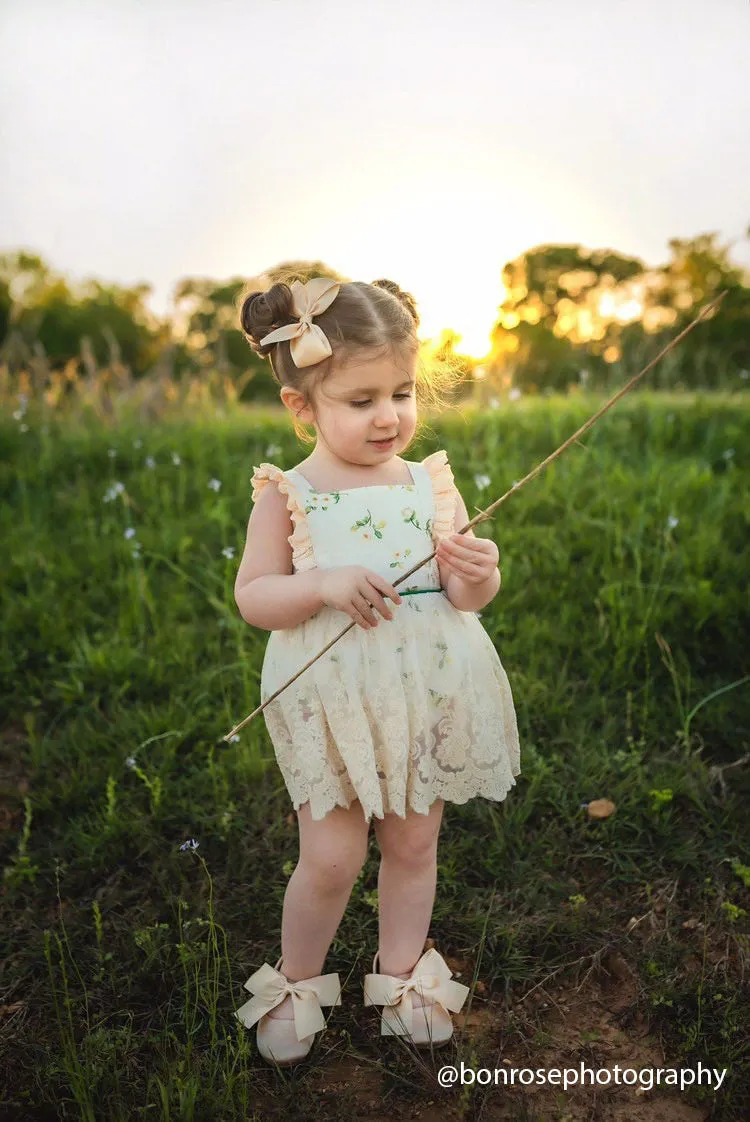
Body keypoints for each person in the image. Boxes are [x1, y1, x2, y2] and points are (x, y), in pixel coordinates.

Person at [231, 273, 521, 1066]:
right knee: (332, 856)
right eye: (362, 401)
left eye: (402, 392)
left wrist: (479, 568)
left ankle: (401, 978)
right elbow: (255, 596)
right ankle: (297, 983)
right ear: (304, 408)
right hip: (334, 700)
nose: (390, 415)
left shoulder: (429, 484)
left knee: (414, 843)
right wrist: (321, 585)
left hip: (421, 692)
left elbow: (467, 596)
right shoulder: (289, 495)